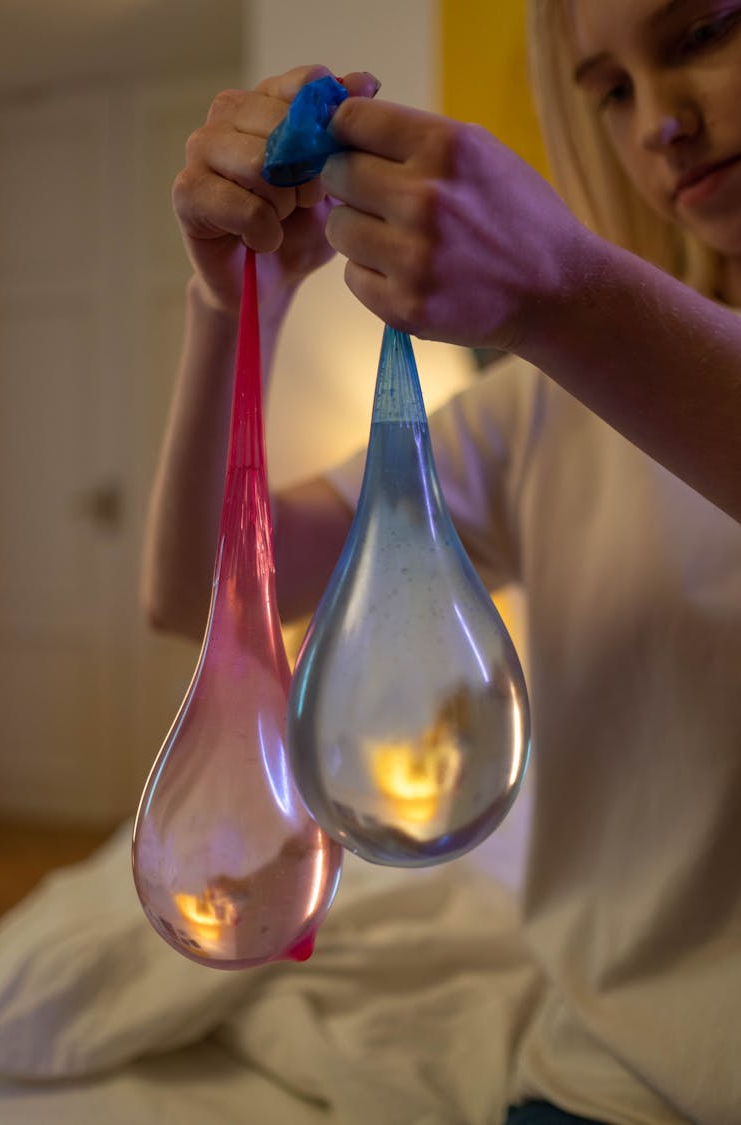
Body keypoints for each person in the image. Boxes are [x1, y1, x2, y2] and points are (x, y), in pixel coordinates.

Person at [142, 1, 741, 1122]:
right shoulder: (545, 414)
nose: (659, 121)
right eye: (609, 88)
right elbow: (192, 598)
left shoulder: (575, 338)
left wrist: (564, 292)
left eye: (706, 31)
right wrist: (234, 311)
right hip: (602, 1083)